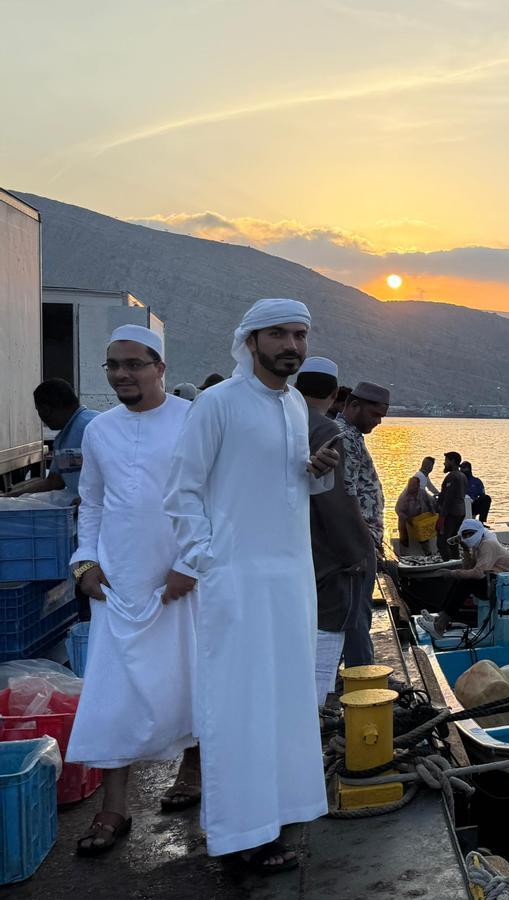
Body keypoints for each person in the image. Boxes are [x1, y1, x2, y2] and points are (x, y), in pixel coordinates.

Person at [165, 298, 342, 872]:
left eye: (300, 335)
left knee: (286, 702)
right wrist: (209, 560)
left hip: (290, 582)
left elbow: (284, 487)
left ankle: (277, 818)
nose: (292, 345)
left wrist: (315, 474)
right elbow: (182, 491)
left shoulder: (293, 405)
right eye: (279, 334)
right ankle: (239, 837)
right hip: (236, 582)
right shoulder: (218, 404)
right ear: (251, 340)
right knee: (239, 705)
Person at [67, 325, 202, 855]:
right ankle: (114, 808)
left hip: (182, 583)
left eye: (133, 364)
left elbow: (209, 499)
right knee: (112, 692)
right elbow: (93, 502)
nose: (121, 374)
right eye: (113, 365)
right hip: (119, 584)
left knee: (191, 680)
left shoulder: (191, 421)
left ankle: (191, 774)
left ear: (160, 367)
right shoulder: (100, 430)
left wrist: (189, 564)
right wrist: (85, 561)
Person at [295, 357, 370, 700]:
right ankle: (318, 703)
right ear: (334, 393)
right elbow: (334, 498)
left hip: (290, 548)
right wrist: (355, 553)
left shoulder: (283, 420)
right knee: (330, 625)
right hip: (323, 550)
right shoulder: (326, 431)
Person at [336, 382, 389, 667]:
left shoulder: (352, 436)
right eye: (374, 414)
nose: (378, 422)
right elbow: (347, 496)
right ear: (354, 406)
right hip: (358, 541)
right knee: (357, 612)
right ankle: (362, 673)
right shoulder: (345, 437)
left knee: (357, 610)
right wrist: (361, 544)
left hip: (362, 539)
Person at [3, 379, 98, 501]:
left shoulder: (93, 425)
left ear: (46, 410)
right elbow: (54, 481)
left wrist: (94, 499)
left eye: (38, 411)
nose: (40, 418)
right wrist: (10, 496)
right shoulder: (62, 439)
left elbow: (116, 469)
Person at [443, 519, 509, 622]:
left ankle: (442, 622)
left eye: (471, 533)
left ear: (480, 532)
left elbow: (478, 573)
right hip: (495, 581)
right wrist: (465, 549)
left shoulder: (488, 544)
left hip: (508, 585)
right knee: (460, 579)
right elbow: (468, 569)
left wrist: (452, 573)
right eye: (465, 535)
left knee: (466, 581)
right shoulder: (477, 546)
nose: (468, 537)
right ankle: (443, 616)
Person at [396, 456, 440, 556]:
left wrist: (439, 495)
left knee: (422, 532)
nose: (431, 468)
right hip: (408, 513)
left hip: (416, 511)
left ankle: (428, 552)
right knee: (410, 533)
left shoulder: (423, 477)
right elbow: (422, 494)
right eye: (430, 465)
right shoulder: (420, 477)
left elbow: (430, 489)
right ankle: (406, 553)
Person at [436, 452, 467, 561]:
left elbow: (448, 498)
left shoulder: (452, 476)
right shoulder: (463, 476)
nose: (444, 463)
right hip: (461, 512)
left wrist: (442, 517)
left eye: (446, 460)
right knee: (453, 540)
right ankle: (456, 562)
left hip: (451, 514)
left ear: (453, 461)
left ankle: (448, 564)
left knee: (442, 541)